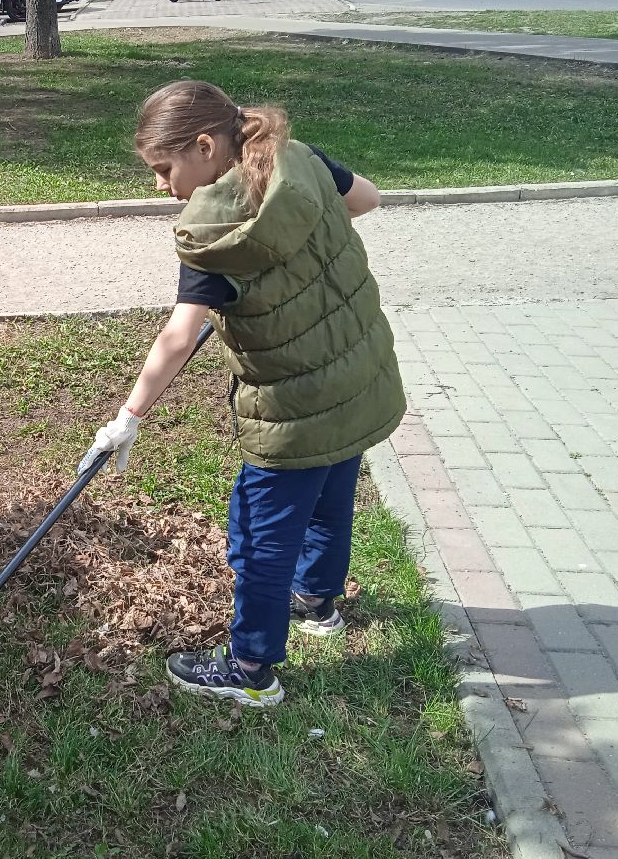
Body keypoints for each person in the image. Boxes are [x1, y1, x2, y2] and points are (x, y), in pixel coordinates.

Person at [78, 80, 404, 707]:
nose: (160, 185)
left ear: (204, 145)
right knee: (335, 489)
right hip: (357, 374)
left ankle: (252, 669)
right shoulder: (298, 158)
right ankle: (318, 603)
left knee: (261, 531)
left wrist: (127, 416)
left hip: (291, 408)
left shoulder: (213, 229)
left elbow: (178, 337)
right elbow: (366, 198)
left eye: (163, 168)